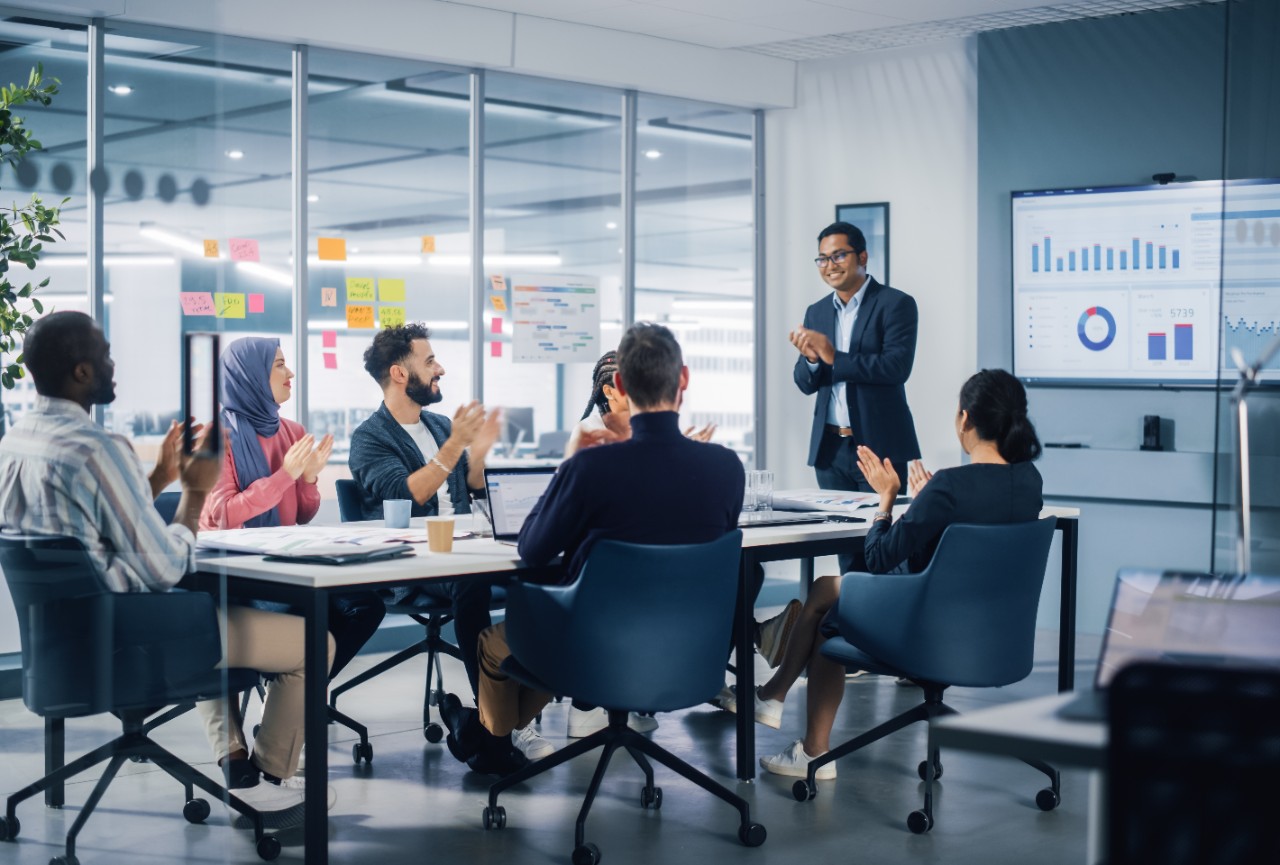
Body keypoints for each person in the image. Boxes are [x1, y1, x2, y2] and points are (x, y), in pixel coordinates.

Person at [0, 311, 331, 816]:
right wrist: (194, 493)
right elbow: (164, 568)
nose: (114, 364)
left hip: (60, 645)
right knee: (314, 642)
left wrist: (154, 481)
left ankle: (237, 764)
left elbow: (86, 532)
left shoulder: (14, 442)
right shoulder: (98, 448)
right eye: (105, 354)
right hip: (132, 638)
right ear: (82, 371)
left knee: (212, 606)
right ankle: (265, 776)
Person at [437, 323, 745, 776]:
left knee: (493, 643)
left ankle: (489, 743)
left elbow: (534, 549)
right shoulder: (727, 467)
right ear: (684, 380)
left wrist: (570, 465)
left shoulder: (592, 466)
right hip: (689, 648)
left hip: (594, 649)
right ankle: (480, 737)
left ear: (619, 385)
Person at [745, 369, 1044, 781]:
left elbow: (880, 557)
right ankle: (773, 697)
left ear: (965, 419)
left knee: (830, 617)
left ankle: (809, 747)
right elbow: (964, 552)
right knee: (825, 590)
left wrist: (887, 500)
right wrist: (927, 508)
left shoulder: (950, 487)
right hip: (992, 636)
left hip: (927, 631)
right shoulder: (1030, 482)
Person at [347, 324, 537, 771]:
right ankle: (496, 729)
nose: (440, 369)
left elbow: (468, 486)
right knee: (470, 586)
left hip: (465, 548)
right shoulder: (370, 437)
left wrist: (481, 451)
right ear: (399, 373)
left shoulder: (437, 424)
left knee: (539, 572)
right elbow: (403, 494)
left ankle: (518, 711)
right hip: (414, 565)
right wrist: (454, 446)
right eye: (429, 361)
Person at [202, 336, 385, 680]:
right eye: (279, 365)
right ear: (250, 377)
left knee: (366, 607)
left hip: (287, 563)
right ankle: (297, 694)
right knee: (307, 609)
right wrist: (285, 475)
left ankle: (302, 696)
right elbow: (223, 515)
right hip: (243, 573)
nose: (291, 373)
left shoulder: (293, 431)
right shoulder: (219, 437)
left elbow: (302, 515)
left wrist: (309, 479)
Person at [791, 221, 920, 570]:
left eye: (838, 255)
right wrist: (811, 359)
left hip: (879, 450)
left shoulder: (896, 304)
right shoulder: (816, 312)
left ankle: (886, 622)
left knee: (888, 552)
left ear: (862, 256)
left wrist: (834, 357)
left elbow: (896, 367)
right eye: (821, 259)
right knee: (847, 557)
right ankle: (848, 624)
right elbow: (804, 382)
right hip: (831, 452)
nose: (829, 265)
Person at [564, 350, 715, 459]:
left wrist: (682, 446)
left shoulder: (643, 424)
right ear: (609, 391)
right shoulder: (588, 430)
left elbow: (652, 463)